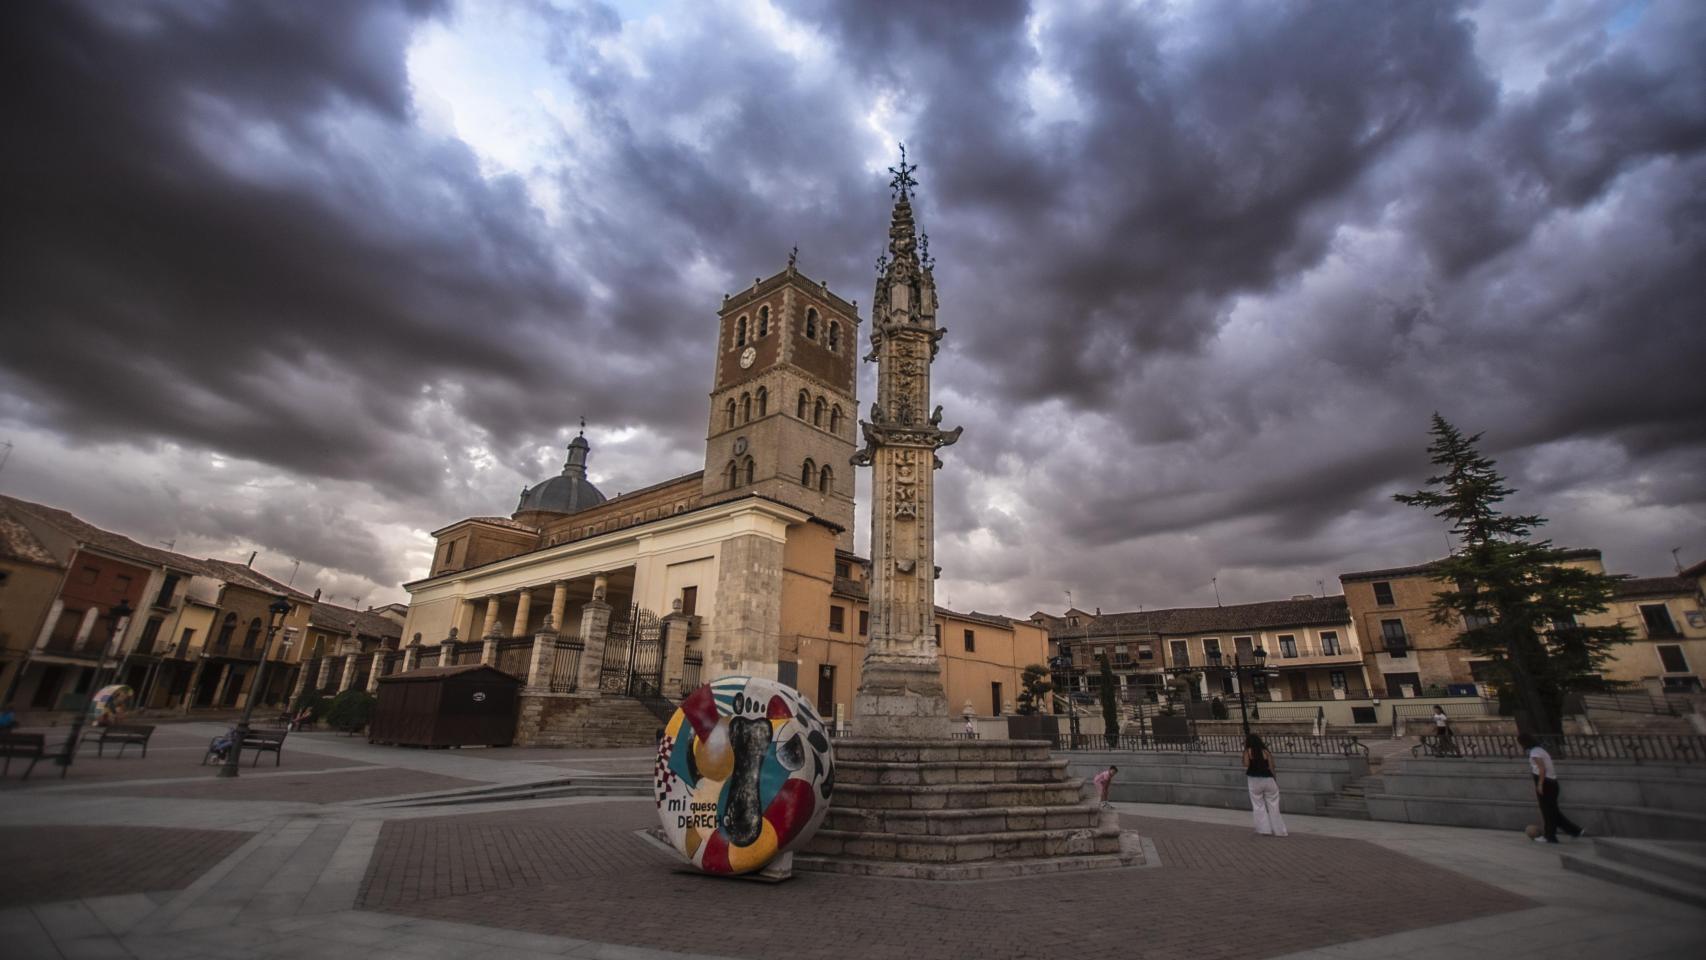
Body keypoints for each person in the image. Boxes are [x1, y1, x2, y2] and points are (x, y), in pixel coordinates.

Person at [1518, 732, 1584, 843]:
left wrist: (1540, 784)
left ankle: (1550, 836)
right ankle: (1575, 831)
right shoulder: (1540, 750)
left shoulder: (1535, 753)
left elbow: (1542, 769)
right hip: (1551, 783)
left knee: (1548, 812)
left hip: (1546, 784)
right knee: (1553, 811)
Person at [1244, 734, 1288, 837]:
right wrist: (1275, 780)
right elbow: (1272, 767)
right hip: (1268, 779)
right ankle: (1280, 831)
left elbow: (1246, 765)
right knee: (1274, 806)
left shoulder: (1248, 751)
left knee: (1258, 805)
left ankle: (1264, 829)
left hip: (1254, 779)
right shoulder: (1266, 752)